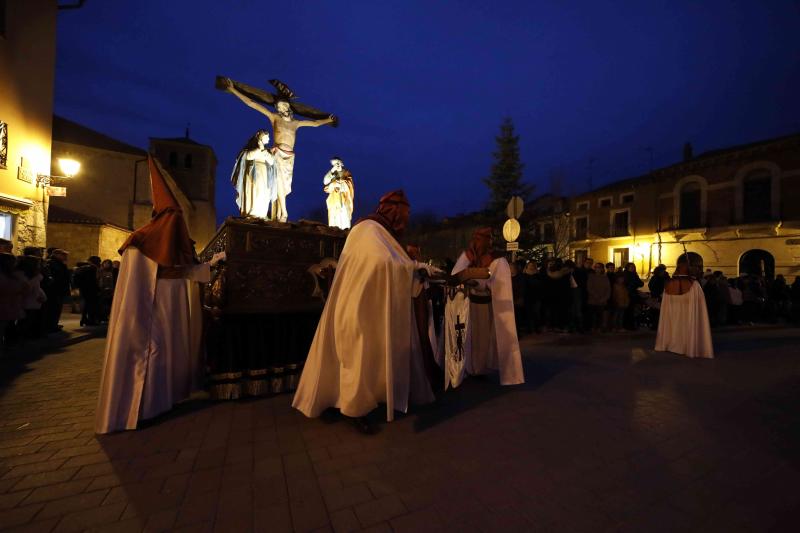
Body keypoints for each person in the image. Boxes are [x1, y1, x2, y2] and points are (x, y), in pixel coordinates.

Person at [95, 157, 225, 434]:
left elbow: (185, 271)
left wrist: (211, 265)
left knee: (166, 353)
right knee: (151, 352)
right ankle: (140, 408)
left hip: (171, 309)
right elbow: (141, 282)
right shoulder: (142, 241)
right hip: (150, 309)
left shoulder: (173, 242)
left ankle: (163, 400)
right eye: (175, 218)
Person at [292, 190, 438, 433]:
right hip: (355, 309)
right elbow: (381, 263)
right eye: (406, 213)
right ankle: (353, 410)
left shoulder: (381, 233)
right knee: (357, 357)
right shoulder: (369, 229)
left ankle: (352, 401)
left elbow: (390, 263)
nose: (407, 219)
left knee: (365, 358)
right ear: (394, 210)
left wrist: (412, 267)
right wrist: (414, 268)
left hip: (367, 306)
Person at [222, 77, 336, 222]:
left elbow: (314, 123)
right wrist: (232, 89)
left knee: (285, 184)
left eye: (283, 106)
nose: (281, 109)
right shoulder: (274, 118)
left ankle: (281, 212)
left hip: (290, 156)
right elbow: (253, 103)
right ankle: (284, 213)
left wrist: (328, 120)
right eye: (279, 107)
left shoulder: (296, 123)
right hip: (277, 153)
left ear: (288, 106)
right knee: (280, 182)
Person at [445, 227, 525, 386]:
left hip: (485, 305)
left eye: (480, 240)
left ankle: (479, 368)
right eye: (475, 239)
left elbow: (497, 284)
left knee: (482, 339)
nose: (476, 243)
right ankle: (466, 366)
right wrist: (465, 276)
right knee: (467, 337)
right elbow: (456, 275)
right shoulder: (467, 256)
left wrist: (477, 281)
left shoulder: (497, 259)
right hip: (467, 306)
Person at [655, 255, 713, 358]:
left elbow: (666, 308)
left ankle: (671, 344)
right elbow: (700, 307)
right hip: (688, 316)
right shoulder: (694, 285)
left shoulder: (668, 285)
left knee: (672, 324)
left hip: (673, 317)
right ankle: (688, 346)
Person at [230, 129, 277, 219]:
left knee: (263, 193)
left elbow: (271, 161)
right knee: (253, 192)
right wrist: (259, 150)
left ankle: (262, 214)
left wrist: (264, 151)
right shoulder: (250, 148)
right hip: (252, 174)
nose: (269, 139)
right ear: (260, 137)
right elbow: (247, 156)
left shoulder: (266, 151)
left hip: (264, 174)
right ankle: (252, 213)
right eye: (267, 137)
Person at [0, 253, 25, 356]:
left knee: (4, 328)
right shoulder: (6, 276)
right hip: (4, 304)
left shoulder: (12, 275)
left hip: (8, 304)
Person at [42, 249, 70, 333]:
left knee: (56, 309)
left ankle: (53, 325)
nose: (66, 257)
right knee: (53, 309)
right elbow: (58, 277)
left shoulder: (59, 264)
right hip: (55, 290)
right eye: (64, 255)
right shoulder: (52, 263)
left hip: (58, 290)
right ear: (57, 255)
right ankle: (51, 325)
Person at [323, 157, 355, 229]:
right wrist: (332, 172)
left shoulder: (346, 173)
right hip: (334, 198)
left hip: (344, 197)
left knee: (344, 214)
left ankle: (344, 231)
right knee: (334, 215)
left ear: (341, 163)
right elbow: (325, 181)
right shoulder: (332, 173)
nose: (336, 165)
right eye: (334, 164)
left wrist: (341, 184)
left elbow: (350, 184)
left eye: (337, 163)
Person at [586, 262, 610, 332]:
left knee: (600, 315)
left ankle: (599, 328)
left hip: (602, 300)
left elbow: (608, 289)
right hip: (592, 300)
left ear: (602, 269)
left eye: (599, 267)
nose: (597, 269)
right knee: (592, 315)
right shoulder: (591, 276)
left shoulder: (605, 277)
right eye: (596, 267)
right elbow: (589, 287)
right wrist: (596, 296)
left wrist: (605, 298)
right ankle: (592, 327)